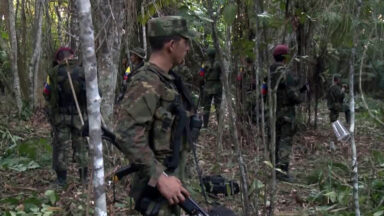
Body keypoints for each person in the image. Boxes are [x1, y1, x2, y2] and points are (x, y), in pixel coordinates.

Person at [114, 16, 197, 216]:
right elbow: (126, 133)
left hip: (172, 181)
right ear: (171, 45)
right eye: (185, 42)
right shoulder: (145, 82)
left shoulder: (169, 80)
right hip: (154, 188)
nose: (188, 48)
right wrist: (159, 177)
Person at [43, 47, 88, 186]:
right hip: (78, 117)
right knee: (81, 146)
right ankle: (84, 179)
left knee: (60, 147)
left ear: (58, 59)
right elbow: (95, 93)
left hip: (60, 117)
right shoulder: (83, 71)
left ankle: (61, 180)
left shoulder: (54, 73)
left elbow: (46, 93)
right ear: (72, 55)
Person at [269, 44, 306, 182]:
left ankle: (274, 169)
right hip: (285, 113)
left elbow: (264, 91)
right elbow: (292, 96)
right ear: (285, 58)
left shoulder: (269, 73)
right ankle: (282, 173)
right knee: (284, 142)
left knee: (274, 140)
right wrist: (301, 93)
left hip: (272, 113)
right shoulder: (286, 73)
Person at [200, 47, 222, 128]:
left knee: (206, 106)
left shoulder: (204, 64)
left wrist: (202, 83)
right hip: (217, 86)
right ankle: (220, 125)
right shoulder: (219, 64)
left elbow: (201, 75)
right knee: (218, 106)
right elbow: (223, 74)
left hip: (208, 86)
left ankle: (205, 125)